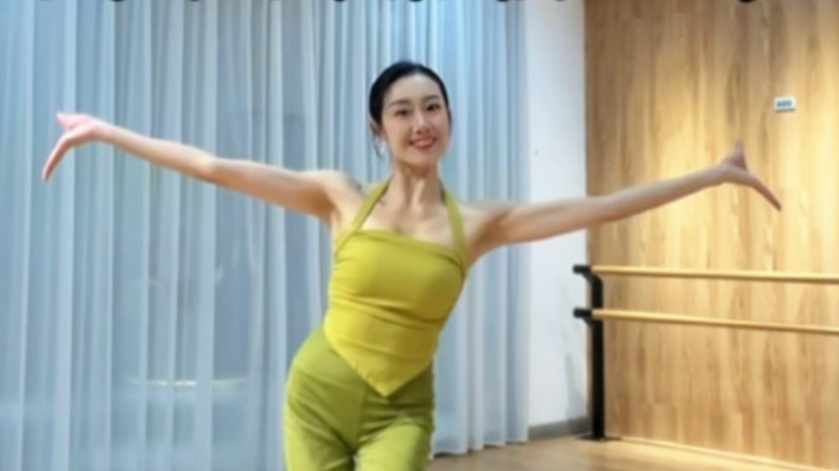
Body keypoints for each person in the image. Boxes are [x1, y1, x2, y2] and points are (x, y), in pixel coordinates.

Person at [41, 60, 781, 470]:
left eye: (432, 107)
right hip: (315, 397)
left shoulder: (480, 224)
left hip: (401, 408)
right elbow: (214, 167)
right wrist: (106, 132)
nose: (420, 122)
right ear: (379, 128)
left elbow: (605, 205)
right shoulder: (340, 197)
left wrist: (712, 175)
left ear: (449, 119)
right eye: (402, 111)